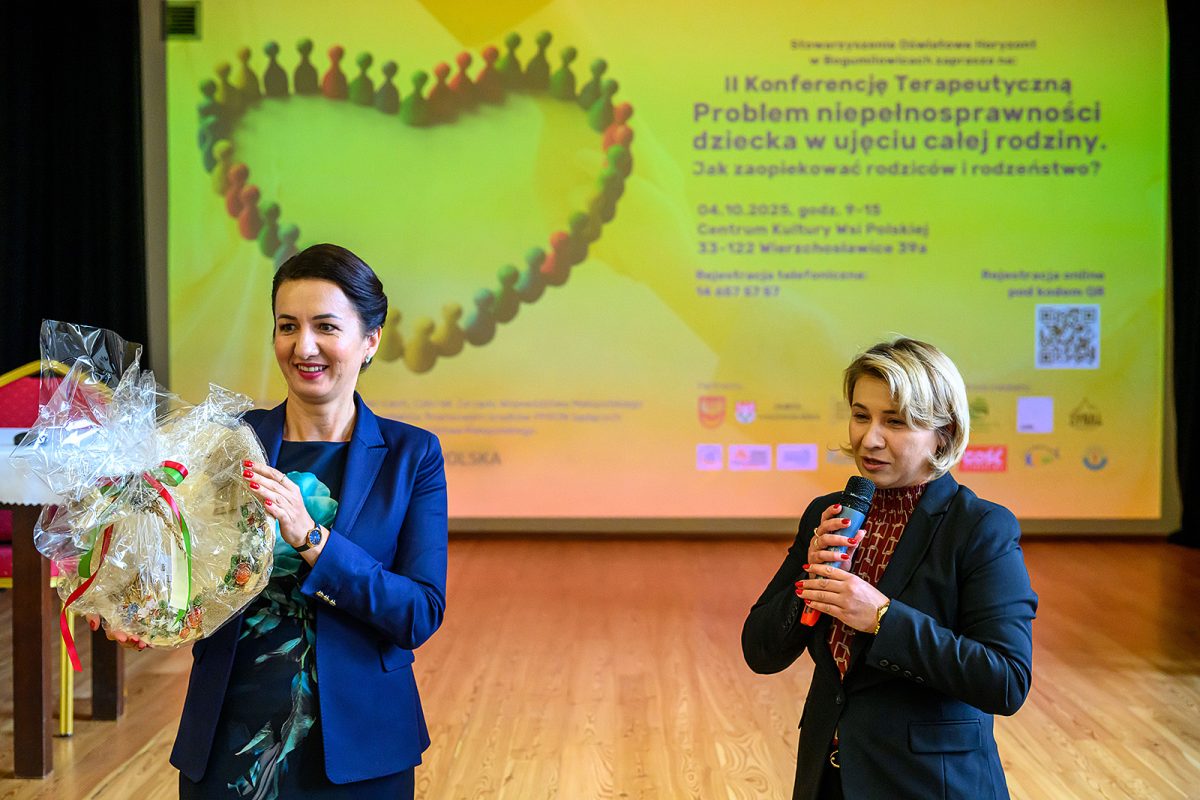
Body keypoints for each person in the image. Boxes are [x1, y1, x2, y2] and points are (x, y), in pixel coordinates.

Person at [98, 243, 447, 798]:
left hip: (361, 743)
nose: (303, 346)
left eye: (325, 326)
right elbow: (178, 565)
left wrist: (313, 539)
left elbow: (418, 613)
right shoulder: (226, 443)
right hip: (230, 735)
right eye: (288, 326)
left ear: (371, 340)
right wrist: (133, 604)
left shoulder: (412, 455)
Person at [741, 337, 1037, 800]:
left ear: (944, 432)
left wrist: (883, 618)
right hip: (828, 777)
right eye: (861, 416)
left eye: (895, 421)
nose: (869, 438)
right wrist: (810, 576)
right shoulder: (829, 513)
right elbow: (761, 652)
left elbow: (1006, 680)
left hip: (928, 784)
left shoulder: (980, 528)